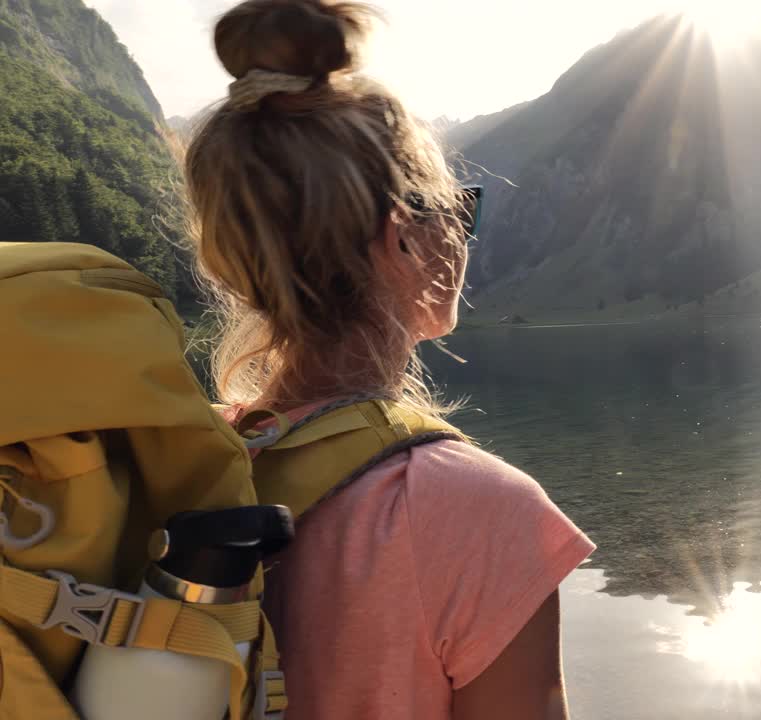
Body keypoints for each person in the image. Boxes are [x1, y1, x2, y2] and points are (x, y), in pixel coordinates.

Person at [181, 1, 596, 718]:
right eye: (458, 210)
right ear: (404, 235)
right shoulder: (479, 511)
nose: (463, 239)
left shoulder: (181, 460)